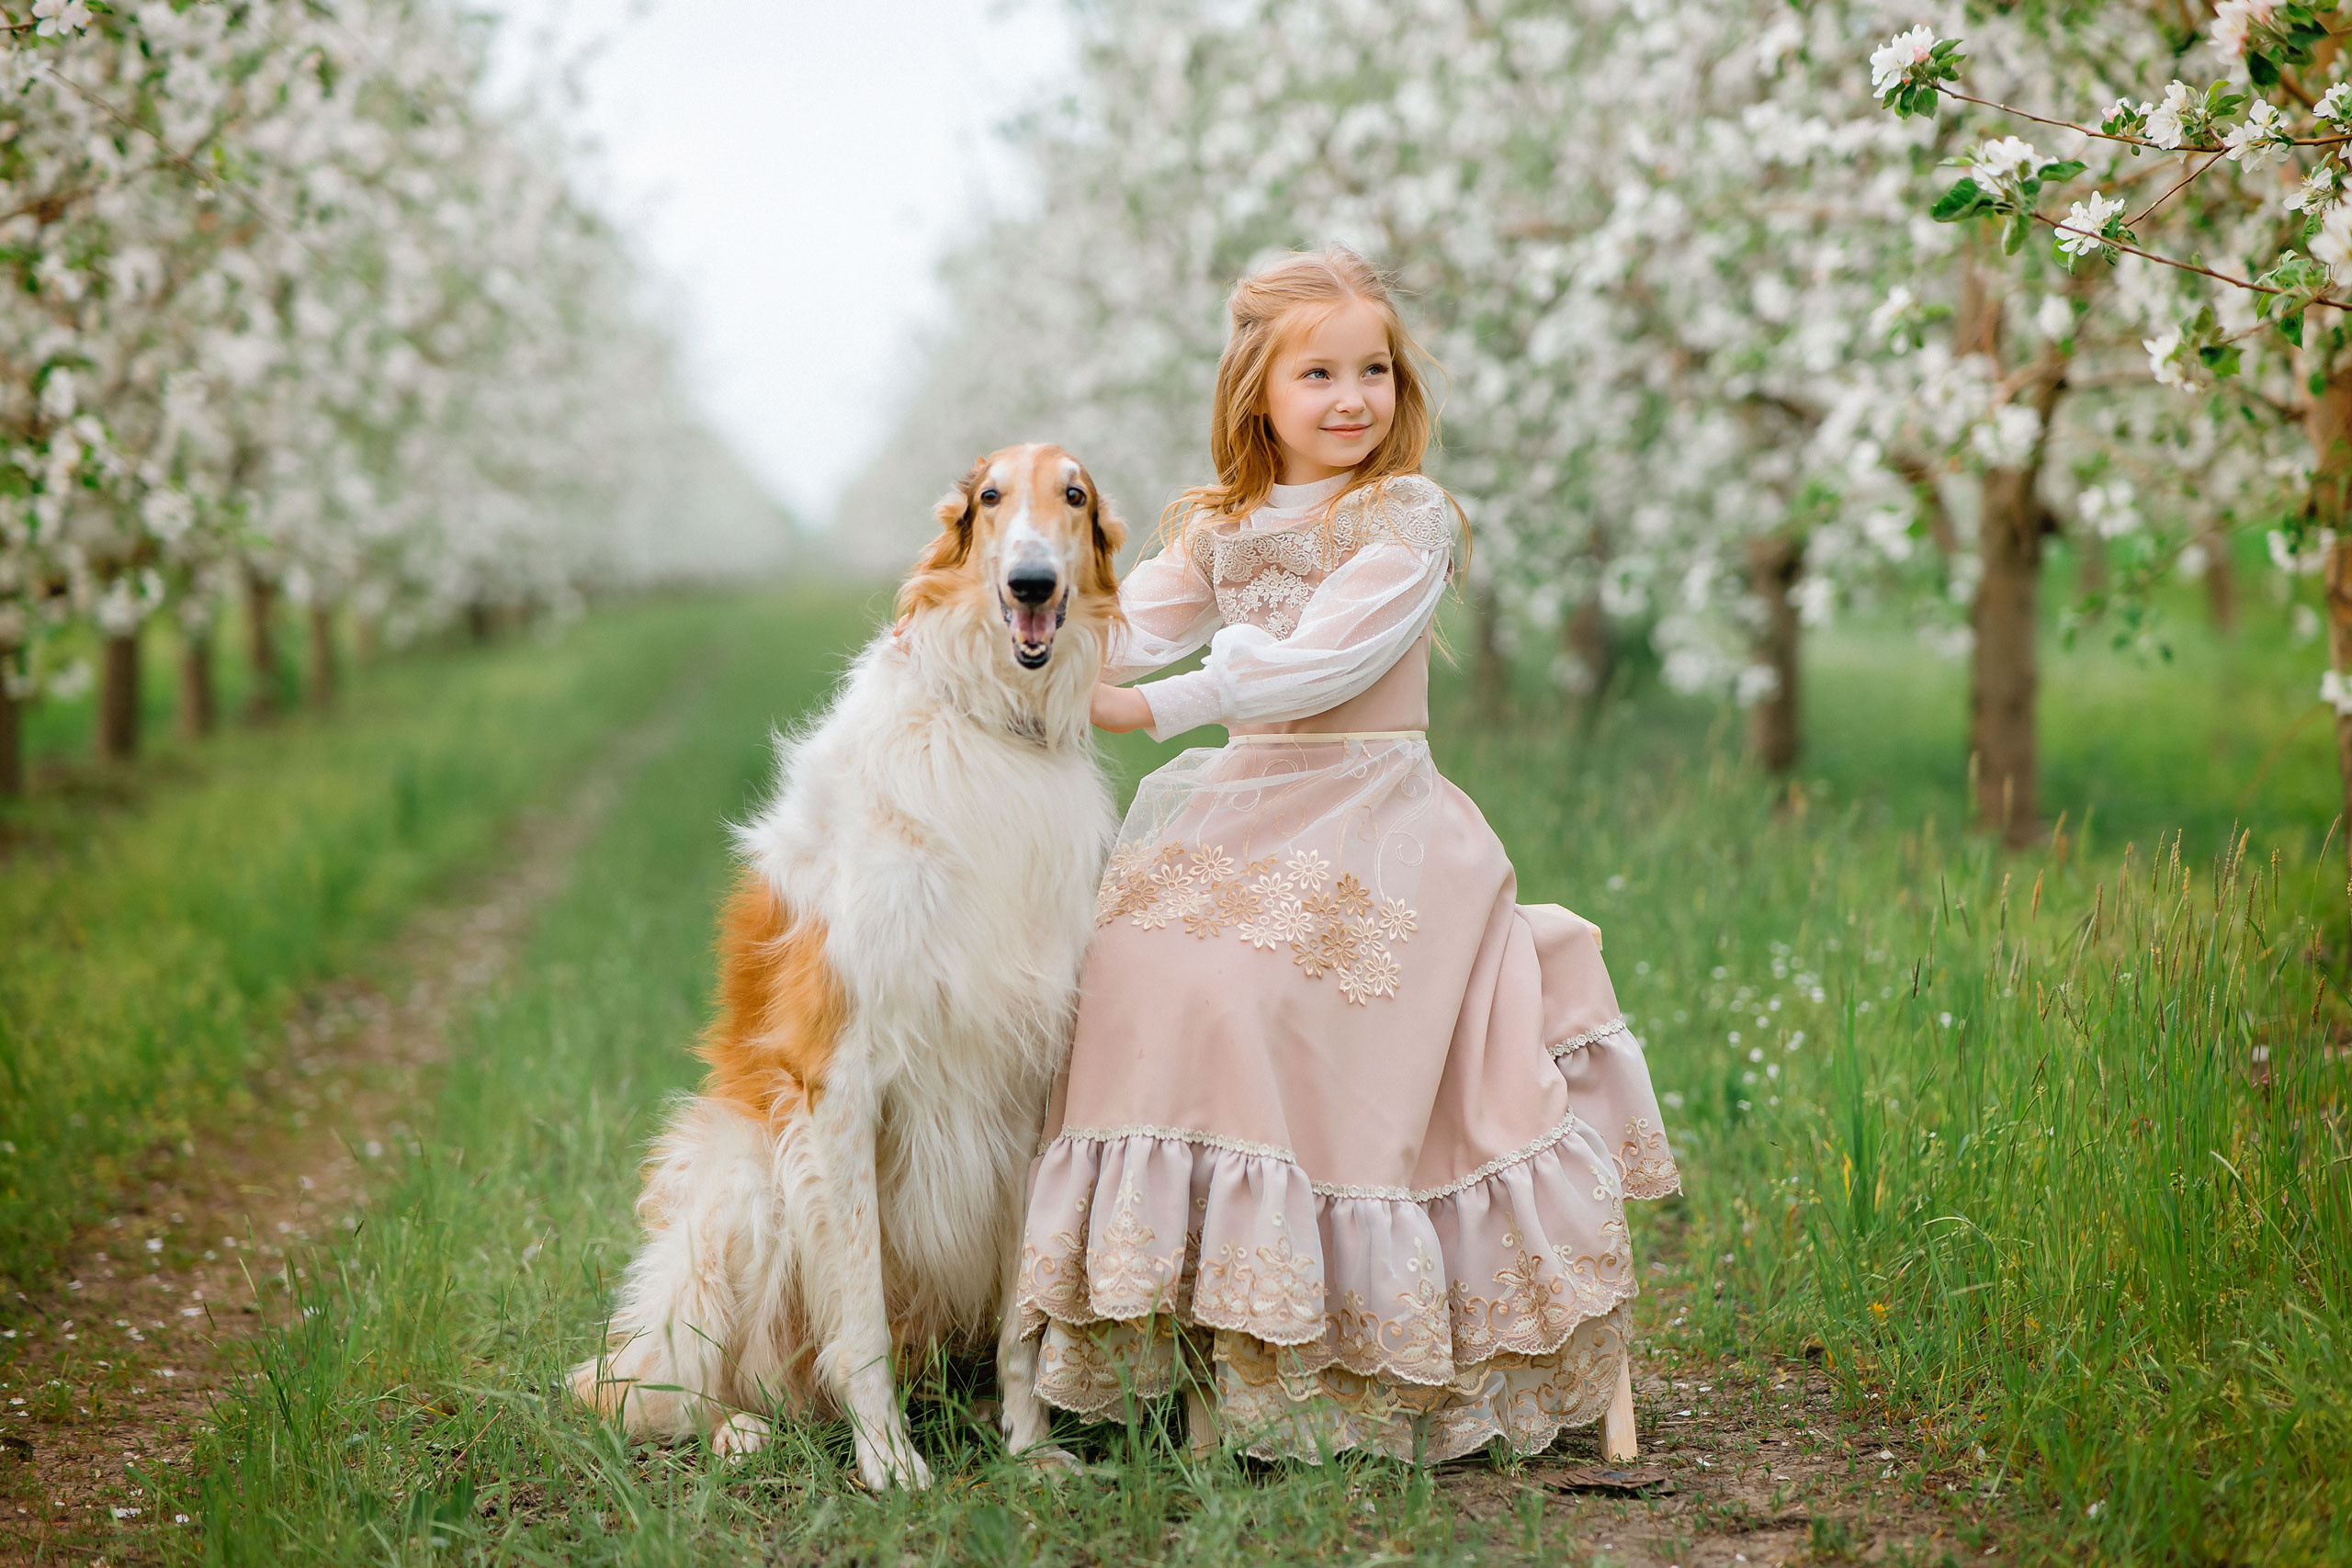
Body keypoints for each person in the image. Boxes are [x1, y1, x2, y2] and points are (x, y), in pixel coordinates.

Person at [1015, 249, 1678, 1463]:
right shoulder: (1219, 527)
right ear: (1256, 394)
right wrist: (1040, 640)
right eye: (1316, 372)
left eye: (1372, 370)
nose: (1350, 397)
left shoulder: (1403, 518)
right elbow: (1132, 621)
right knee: (1134, 971)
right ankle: (1197, 1309)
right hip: (1243, 805)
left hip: (1378, 813)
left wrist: (1153, 707)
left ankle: (1316, 1332)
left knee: (1259, 987)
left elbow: (1325, 658)